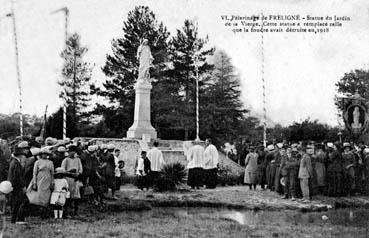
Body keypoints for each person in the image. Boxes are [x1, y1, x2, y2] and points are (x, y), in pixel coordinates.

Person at [8, 145, 28, 224]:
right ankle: (20, 219)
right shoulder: (16, 163)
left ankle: (14, 219)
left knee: (16, 203)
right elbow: (18, 176)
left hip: (13, 185)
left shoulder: (13, 162)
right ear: (20, 155)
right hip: (17, 186)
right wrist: (23, 186)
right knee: (23, 201)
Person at [61, 144, 83, 217]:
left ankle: (75, 212)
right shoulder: (66, 160)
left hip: (75, 179)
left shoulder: (78, 159)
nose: (72, 153)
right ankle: (67, 213)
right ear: (68, 152)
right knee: (68, 197)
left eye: (74, 151)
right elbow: (62, 170)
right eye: (71, 151)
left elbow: (80, 169)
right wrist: (70, 172)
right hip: (68, 179)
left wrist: (78, 173)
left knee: (76, 197)